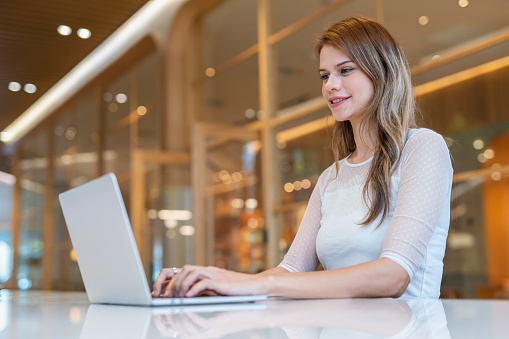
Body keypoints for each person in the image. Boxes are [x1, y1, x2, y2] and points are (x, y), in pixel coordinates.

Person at [152, 15, 453, 299]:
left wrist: (257, 283)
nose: (330, 85)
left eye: (345, 70)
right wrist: (215, 282)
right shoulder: (331, 178)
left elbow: (394, 276)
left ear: (382, 70)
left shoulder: (422, 147)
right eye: (325, 75)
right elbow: (291, 269)